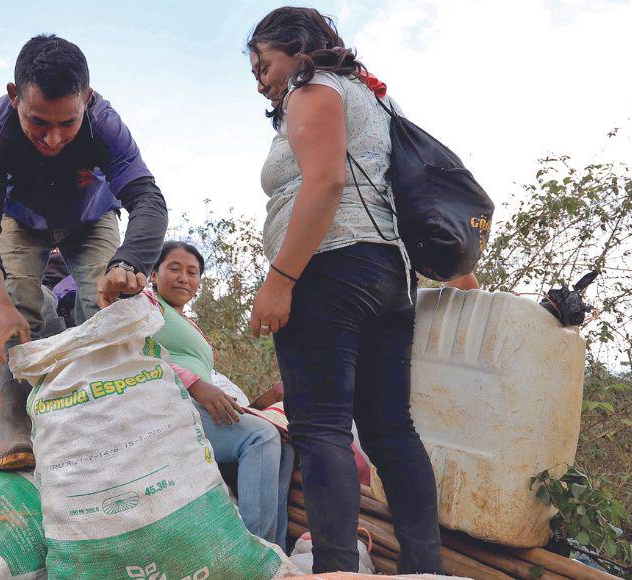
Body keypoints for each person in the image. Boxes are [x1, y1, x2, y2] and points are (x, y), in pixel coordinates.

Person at [246, 7, 445, 573]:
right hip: (390, 277)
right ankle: (425, 568)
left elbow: (326, 182)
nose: (260, 77)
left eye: (265, 62)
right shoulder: (374, 99)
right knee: (389, 429)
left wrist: (280, 280)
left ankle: (336, 568)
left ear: (298, 48)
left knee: (320, 427)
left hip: (328, 271)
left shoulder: (313, 90)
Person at [0, 35, 168, 470]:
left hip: (92, 218)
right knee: (16, 307)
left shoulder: (105, 124)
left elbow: (148, 200)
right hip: (23, 221)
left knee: (107, 305)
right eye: (38, 122)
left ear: (87, 101)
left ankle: (110, 422)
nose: (53, 139)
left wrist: (128, 265)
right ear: (14, 96)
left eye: (67, 124)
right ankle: (15, 428)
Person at [147, 241, 294, 550]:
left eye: (192, 272)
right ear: (153, 274)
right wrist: (194, 384)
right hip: (166, 405)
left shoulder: (185, 321)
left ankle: (278, 554)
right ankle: (254, 553)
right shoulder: (146, 304)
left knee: (284, 445)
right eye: (173, 268)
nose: (183, 278)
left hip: (192, 404)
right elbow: (136, 352)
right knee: (260, 438)